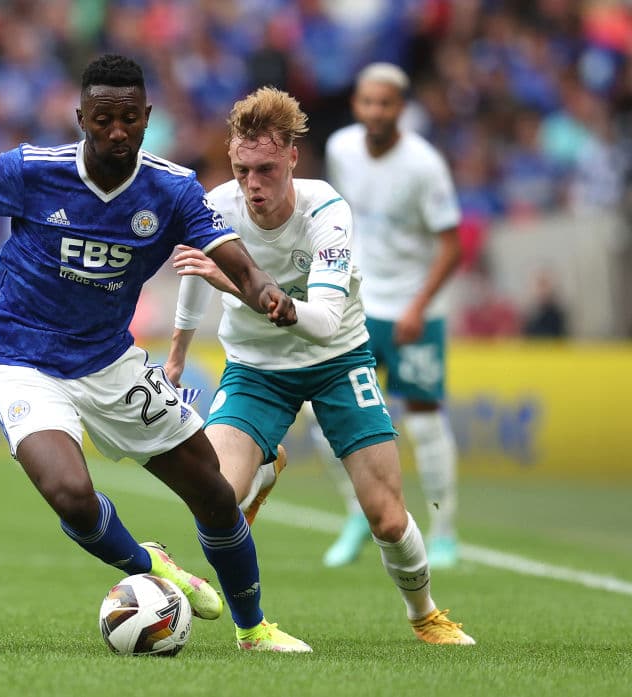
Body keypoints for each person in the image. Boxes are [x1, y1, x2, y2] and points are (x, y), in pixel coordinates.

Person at [0, 54, 310, 653]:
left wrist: (268, 292)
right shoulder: (31, 171)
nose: (116, 131)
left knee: (215, 494)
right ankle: (148, 564)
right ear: (80, 118)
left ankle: (254, 630)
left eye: (128, 118)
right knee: (70, 492)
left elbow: (242, 268)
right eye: (102, 119)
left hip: (109, 360)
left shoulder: (171, 190)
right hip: (20, 357)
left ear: (147, 118)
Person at [165, 86, 475, 645]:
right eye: (241, 171)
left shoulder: (327, 210)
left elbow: (325, 321)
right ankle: (262, 469)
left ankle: (426, 614)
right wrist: (177, 356)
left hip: (337, 360)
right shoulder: (215, 205)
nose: (252, 185)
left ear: (291, 157)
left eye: (264, 169)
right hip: (257, 367)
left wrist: (238, 282)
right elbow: (194, 270)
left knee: (385, 515)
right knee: (212, 499)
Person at [320, 63, 464, 569]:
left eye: (385, 103)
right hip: (356, 302)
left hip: (413, 309)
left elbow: (452, 245)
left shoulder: (424, 165)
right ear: (357, 104)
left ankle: (444, 532)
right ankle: (360, 511)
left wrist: (418, 308)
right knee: (326, 417)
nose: (375, 111)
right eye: (367, 102)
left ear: (400, 108)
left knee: (423, 421)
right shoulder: (340, 149)